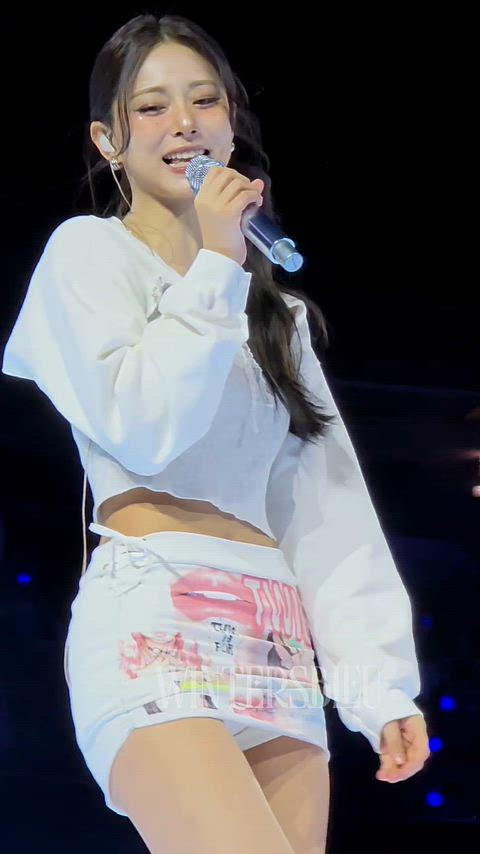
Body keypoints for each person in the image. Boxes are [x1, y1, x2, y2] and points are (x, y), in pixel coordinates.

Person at [1, 13, 430, 854]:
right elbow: (143, 427)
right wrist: (216, 267)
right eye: (151, 107)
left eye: (204, 102)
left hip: (275, 636)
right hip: (156, 613)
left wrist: (378, 687)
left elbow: (325, 510)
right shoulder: (86, 255)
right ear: (107, 140)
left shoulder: (276, 315)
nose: (184, 125)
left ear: (232, 125)